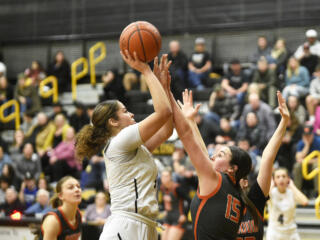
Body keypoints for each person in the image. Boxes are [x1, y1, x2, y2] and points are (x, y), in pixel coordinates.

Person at [75, 52, 173, 240]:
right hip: (127, 225)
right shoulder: (120, 141)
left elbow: (166, 129)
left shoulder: (131, 146)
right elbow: (163, 112)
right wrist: (146, 70)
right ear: (113, 121)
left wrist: (165, 88)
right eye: (125, 111)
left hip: (143, 225)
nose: (132, 114)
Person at [167, 87, 258, 239]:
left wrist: (166, 89)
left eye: (220, 154)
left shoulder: (216, 180)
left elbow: (186, 137)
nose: (213, 156)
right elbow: (203, 151)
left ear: (231, 168)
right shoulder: (237, 193)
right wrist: (191, 121)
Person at [238, 91, 290, 239]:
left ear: (246, 183)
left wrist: (284, 121)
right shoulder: (222, 197)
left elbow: (268, 157)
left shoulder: (255, 199)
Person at [266, 168, 308, 240]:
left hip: (291, 232)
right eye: (278, 177)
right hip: (274, 232)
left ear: (288, 179)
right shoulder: (271, 193)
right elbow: (263, 198)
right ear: (274, 180)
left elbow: (305, 201)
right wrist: (271, 185)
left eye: (284, 176)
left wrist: (292, 186)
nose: (281, 179)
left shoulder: (292, 192)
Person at [159, 168, 189, 240]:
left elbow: (190, 200)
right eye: (163, 176)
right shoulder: (162, 188)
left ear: (170, 177)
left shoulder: (177, 188)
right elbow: (164, 201)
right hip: (168, 217)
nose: (164, 178)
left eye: (166, 176)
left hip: (178, 218)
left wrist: (185, 214)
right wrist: (164, 209)